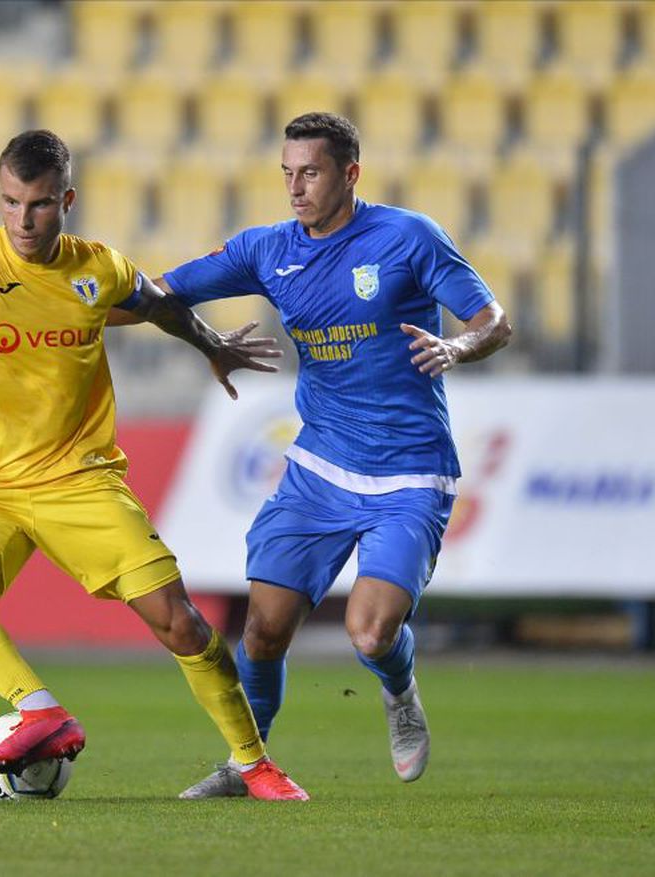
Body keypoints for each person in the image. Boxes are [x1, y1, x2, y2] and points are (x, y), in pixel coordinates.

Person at [0, 130, 307, 800]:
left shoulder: (100, 268)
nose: (21, 220)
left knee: (180, 621)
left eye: (36, 205)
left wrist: (210, 344)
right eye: (9, 202)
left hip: (83, 483)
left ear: (66, 199)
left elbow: (158, 303)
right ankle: (36, 707)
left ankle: (253, 761)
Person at [137, 112, 512, 797]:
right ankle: (247, 764)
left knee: (369, 634)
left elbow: (493, 321)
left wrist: (456, 347)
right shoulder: (267, 249)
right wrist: (77, 296)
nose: (295, 187)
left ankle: (400, 692)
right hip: (318, 469)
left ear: (350, 173)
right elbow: (161, 292)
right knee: (264, 631)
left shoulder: (407, 237)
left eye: (309, 172)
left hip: (409, 472)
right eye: (287, 173)